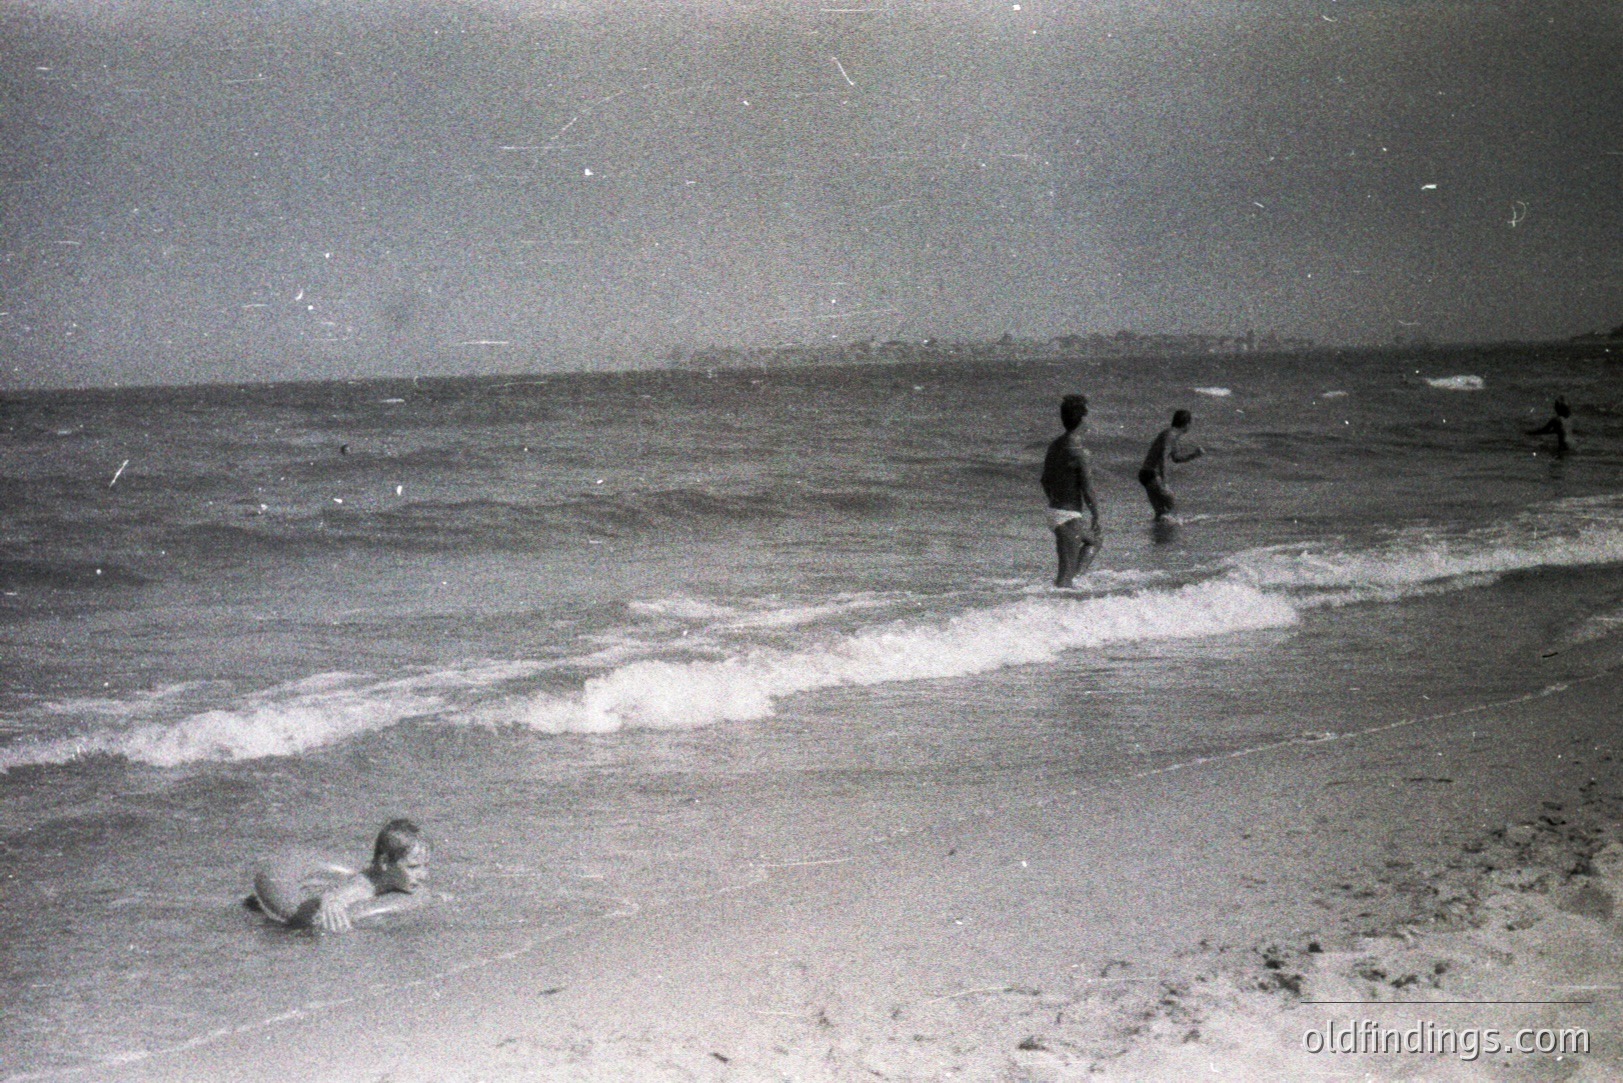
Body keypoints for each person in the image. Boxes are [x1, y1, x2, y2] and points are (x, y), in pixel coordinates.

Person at [247, 818, 429, 932]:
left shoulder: (395, 878)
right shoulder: (363, 887)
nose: (423, 875)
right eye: (413, 867)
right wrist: (331, 901)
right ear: (384, 863)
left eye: (425, 866)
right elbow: (337, 895)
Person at [1041, 393, 1101, 588]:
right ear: (1083, 419)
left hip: (1056, 512)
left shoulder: (1055, 445)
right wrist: (1096, 515)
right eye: (1089, 414)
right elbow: (1088, 489)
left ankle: (1075, 580)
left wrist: (1056, 500)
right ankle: (1058, 608)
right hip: (1068, 516)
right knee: (1063, 580)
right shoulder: (1080, 452)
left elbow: (1044, 480)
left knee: (1095, 541)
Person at [1138, 409, 1204, 522]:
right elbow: (1163, 456)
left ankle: (1159, 536)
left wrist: (1194, 455)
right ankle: (1171, 535)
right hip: (1153, 474)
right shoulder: (1170, 435)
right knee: (1172, 507)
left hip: (1146, 474)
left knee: (1161, 512)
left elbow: (1176, 458)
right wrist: (1165, 481)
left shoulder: (1171, 435)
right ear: (1187, 423)